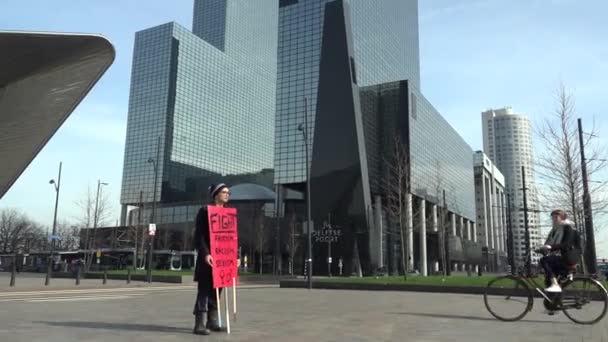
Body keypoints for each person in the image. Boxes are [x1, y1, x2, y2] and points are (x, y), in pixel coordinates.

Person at [191, 183, 240, 335]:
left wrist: (236, 256)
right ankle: (199, 323)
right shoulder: (205, 211)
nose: (227, 195)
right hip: (209, 258)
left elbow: (232, 237)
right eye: (224, 192)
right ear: (216, 194)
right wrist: (206, 253)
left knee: (218, 289)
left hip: (223, 258)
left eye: (228, 193)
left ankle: (212, 321)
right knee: (204, 290)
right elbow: (199, 236)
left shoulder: (228, 213)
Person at [536, 209, 582, 293]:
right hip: (560, 257)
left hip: (568, 257)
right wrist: (540, 249)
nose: (553, 219)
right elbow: (548, 243)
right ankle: (555, 300)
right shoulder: (554, 230)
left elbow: (566, 245)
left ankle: (555, 284)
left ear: (562, 218)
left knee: (544, 260)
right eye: (552, 218)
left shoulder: (568, 228)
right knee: (548, 280)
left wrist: (551, 247)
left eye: (556, 217)